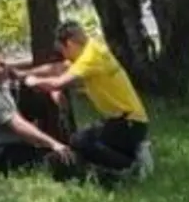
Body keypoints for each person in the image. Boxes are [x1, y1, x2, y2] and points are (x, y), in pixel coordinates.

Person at [19, 21, 152, 185]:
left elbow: (58, 82)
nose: (64, 56)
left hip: (129, 123)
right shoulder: (91, 49)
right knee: (83, 139)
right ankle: (115, 164)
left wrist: (32, 81)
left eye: (62, 50)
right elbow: (57, 68)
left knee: (81, 142)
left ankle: (129, 165)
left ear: (68, 43)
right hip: (123, 120)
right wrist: (22, 73)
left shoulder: (90, 57)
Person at [0, 40, 79, 179]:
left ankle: (71, 144)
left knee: (43, 93)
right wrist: (53, 144)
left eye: (2, 64)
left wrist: (53, 89)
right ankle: (94, 172)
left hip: (16, 144)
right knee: (60, 162)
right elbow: (16, 124)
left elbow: (46, 70)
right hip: (0, 154)